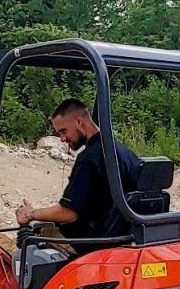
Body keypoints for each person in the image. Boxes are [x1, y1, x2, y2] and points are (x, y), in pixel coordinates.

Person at [14, 98, 141, 243]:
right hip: (123, 235)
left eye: (63, 131)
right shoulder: (122, 151)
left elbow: (68, 213)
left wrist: (31, 214)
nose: (62, 139)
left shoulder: (89, 159)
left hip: (95, 241)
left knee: (31, 244)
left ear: (78, 122)